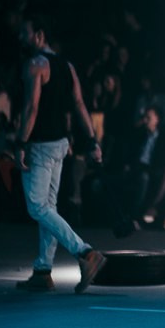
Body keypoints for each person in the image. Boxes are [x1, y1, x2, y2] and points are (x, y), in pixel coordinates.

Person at [14, 15, 106, 293]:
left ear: (39, 35)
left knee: (37, 206)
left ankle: (85, 252)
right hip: (61, 144)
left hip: (41, 145)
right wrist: (92, 141)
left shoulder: (35, 65)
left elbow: (31, 108)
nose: (21, 37)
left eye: (25, 32)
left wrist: (20, 143)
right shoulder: (68, 67)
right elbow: (79, 104)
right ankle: (43, 270)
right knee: (48, 207)